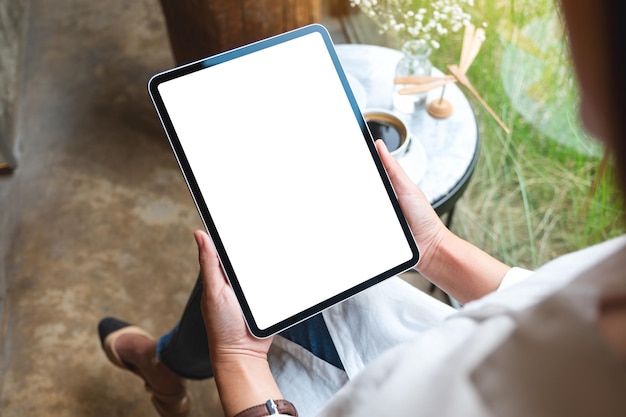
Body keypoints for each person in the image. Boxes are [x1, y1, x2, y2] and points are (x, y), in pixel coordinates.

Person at [98, 1, 626, 416]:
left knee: (240, 263)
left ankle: (166, 363)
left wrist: (238, 364)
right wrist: (437, 250)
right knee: (252, 253)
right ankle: (167, 361)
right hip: (412, 341)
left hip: (335, 391)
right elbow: (542, 298)